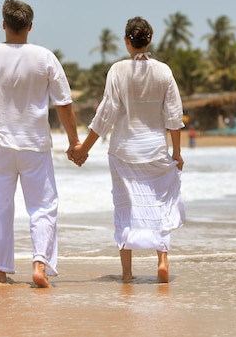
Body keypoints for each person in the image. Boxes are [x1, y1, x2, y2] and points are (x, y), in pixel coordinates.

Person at [0, 0, 80, 288]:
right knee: (43, 206)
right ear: (29, 27)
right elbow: (63, 104)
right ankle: (39, 264)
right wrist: (74, 141)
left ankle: (0, 273)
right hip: (34, 144)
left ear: (4, 25)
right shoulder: (45, 57)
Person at [71, 17, 185, 283]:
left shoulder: (117, 71)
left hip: (123, 151)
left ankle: (127, 272)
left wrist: (83, 149)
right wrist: (177, 153)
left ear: (126, 41)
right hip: (155, 148)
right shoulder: (164, 71)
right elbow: (174, 116)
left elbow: (106, 114)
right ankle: (162, 260)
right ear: (150, 39)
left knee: (125, 207)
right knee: (158, 204)